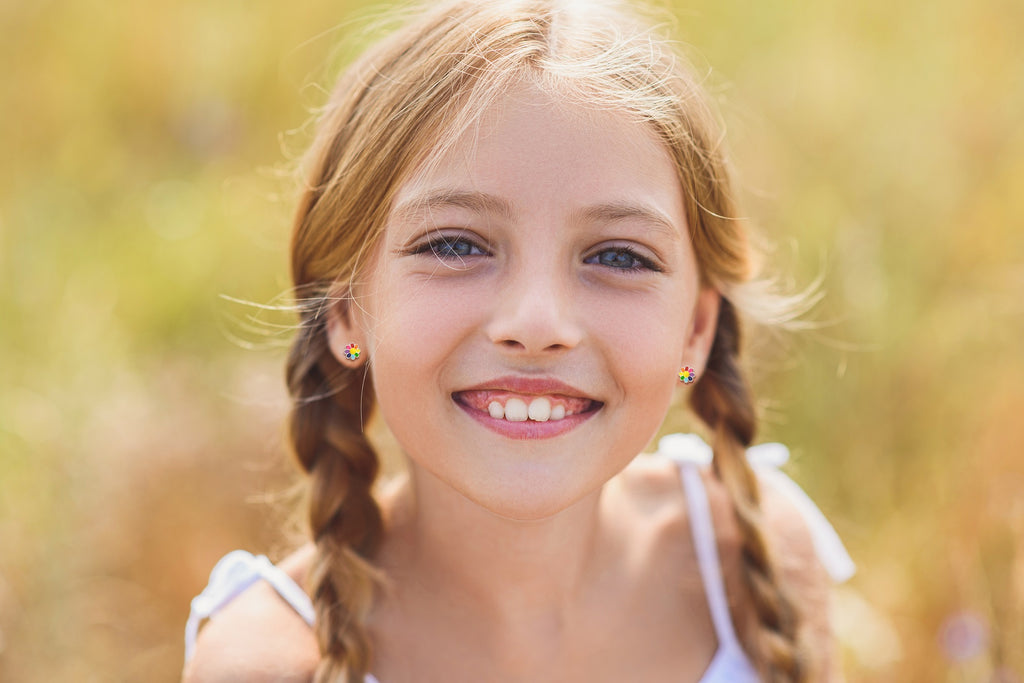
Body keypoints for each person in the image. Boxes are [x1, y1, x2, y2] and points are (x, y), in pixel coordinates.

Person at [182, 0, 856, 681]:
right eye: (455, 243)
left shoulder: (755, 560)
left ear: (696, 330)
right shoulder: (266, 664)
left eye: (619, 256)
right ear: (346, 311)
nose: (537, 324)